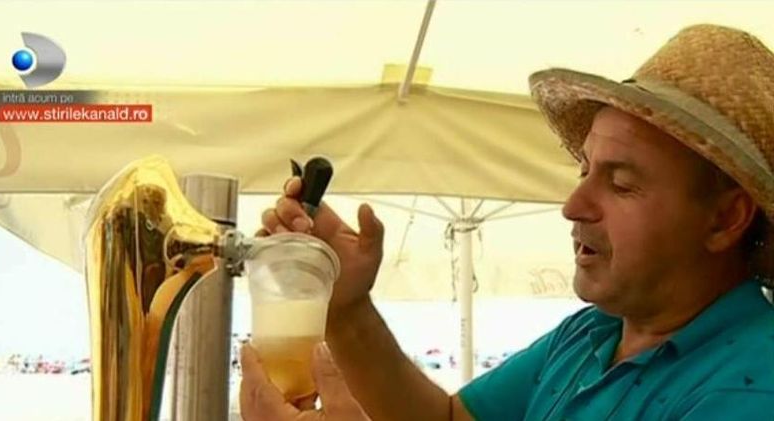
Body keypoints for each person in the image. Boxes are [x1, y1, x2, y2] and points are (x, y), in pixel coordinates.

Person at [241, 24, 774, 420]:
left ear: (725, 219)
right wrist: (348, 307)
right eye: (584, 170)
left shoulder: (753, 386)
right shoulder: (592, 333)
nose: (574, 205)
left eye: (621, 183)